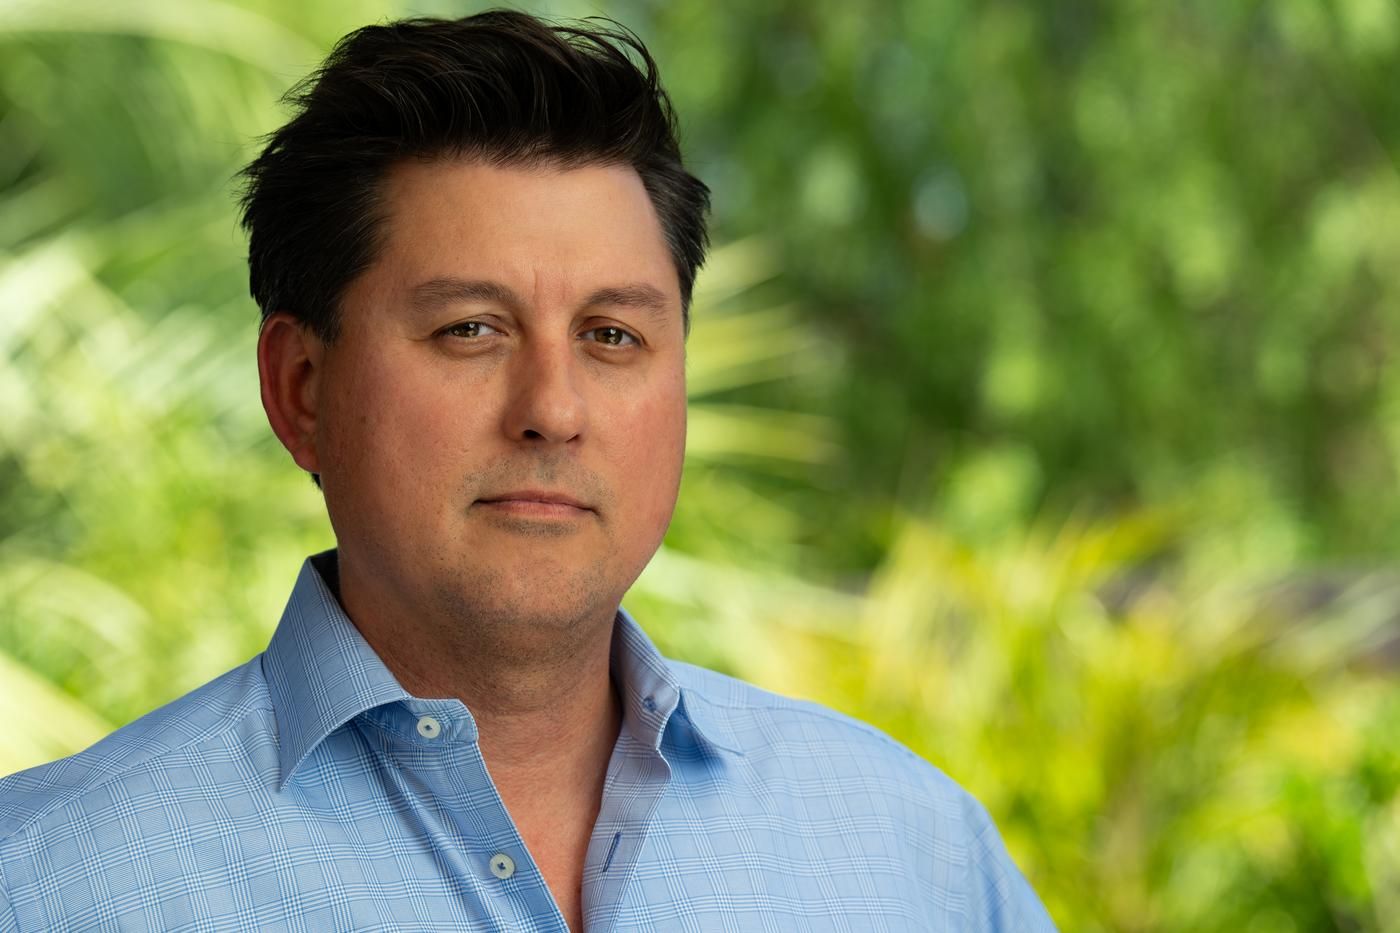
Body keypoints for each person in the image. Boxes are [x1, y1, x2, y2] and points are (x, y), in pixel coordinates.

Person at [0, 11, 1053, 931]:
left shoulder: (913, 852)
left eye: (610, 336)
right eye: (469, 328)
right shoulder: (45, 888)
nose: (551, 409)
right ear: (302, 390)